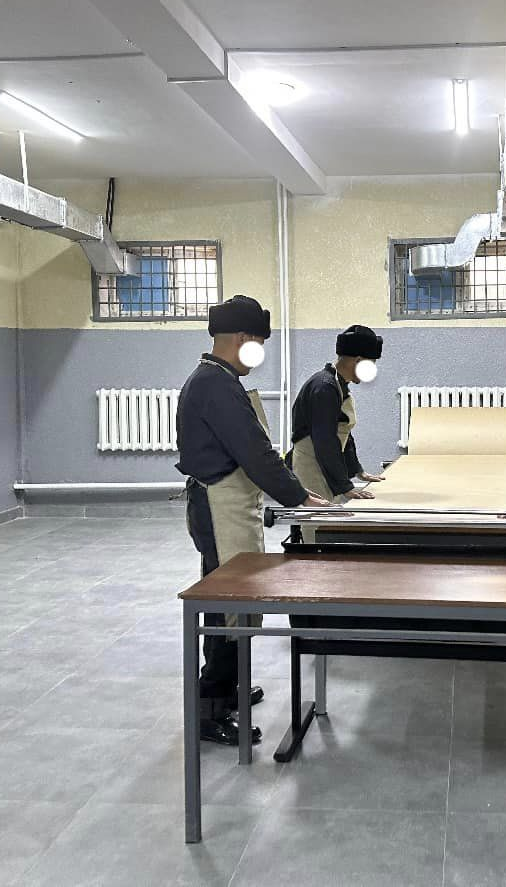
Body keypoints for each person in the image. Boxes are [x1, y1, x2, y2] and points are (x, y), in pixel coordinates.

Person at [176, 294, 329, 746]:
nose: (259, 352)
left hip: (225, 505)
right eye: (259, 343)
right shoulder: (214, 385)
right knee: (228, 607)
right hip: (218, 508)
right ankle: (211, 708)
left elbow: (255, 452)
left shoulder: (218, 379)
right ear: (241, 338)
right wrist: (298, 496)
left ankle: (230, 688)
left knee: (235, 601)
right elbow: (254, 452)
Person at [287, 324, 387, 502]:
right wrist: (345, 486)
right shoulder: (324, 387)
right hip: (312, 467)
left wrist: (357, 470)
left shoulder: (339, 385)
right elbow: (325, 440)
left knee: (330, 514)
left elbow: (343, 433)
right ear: (358, 361)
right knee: (316, 517)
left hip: (325, 464)